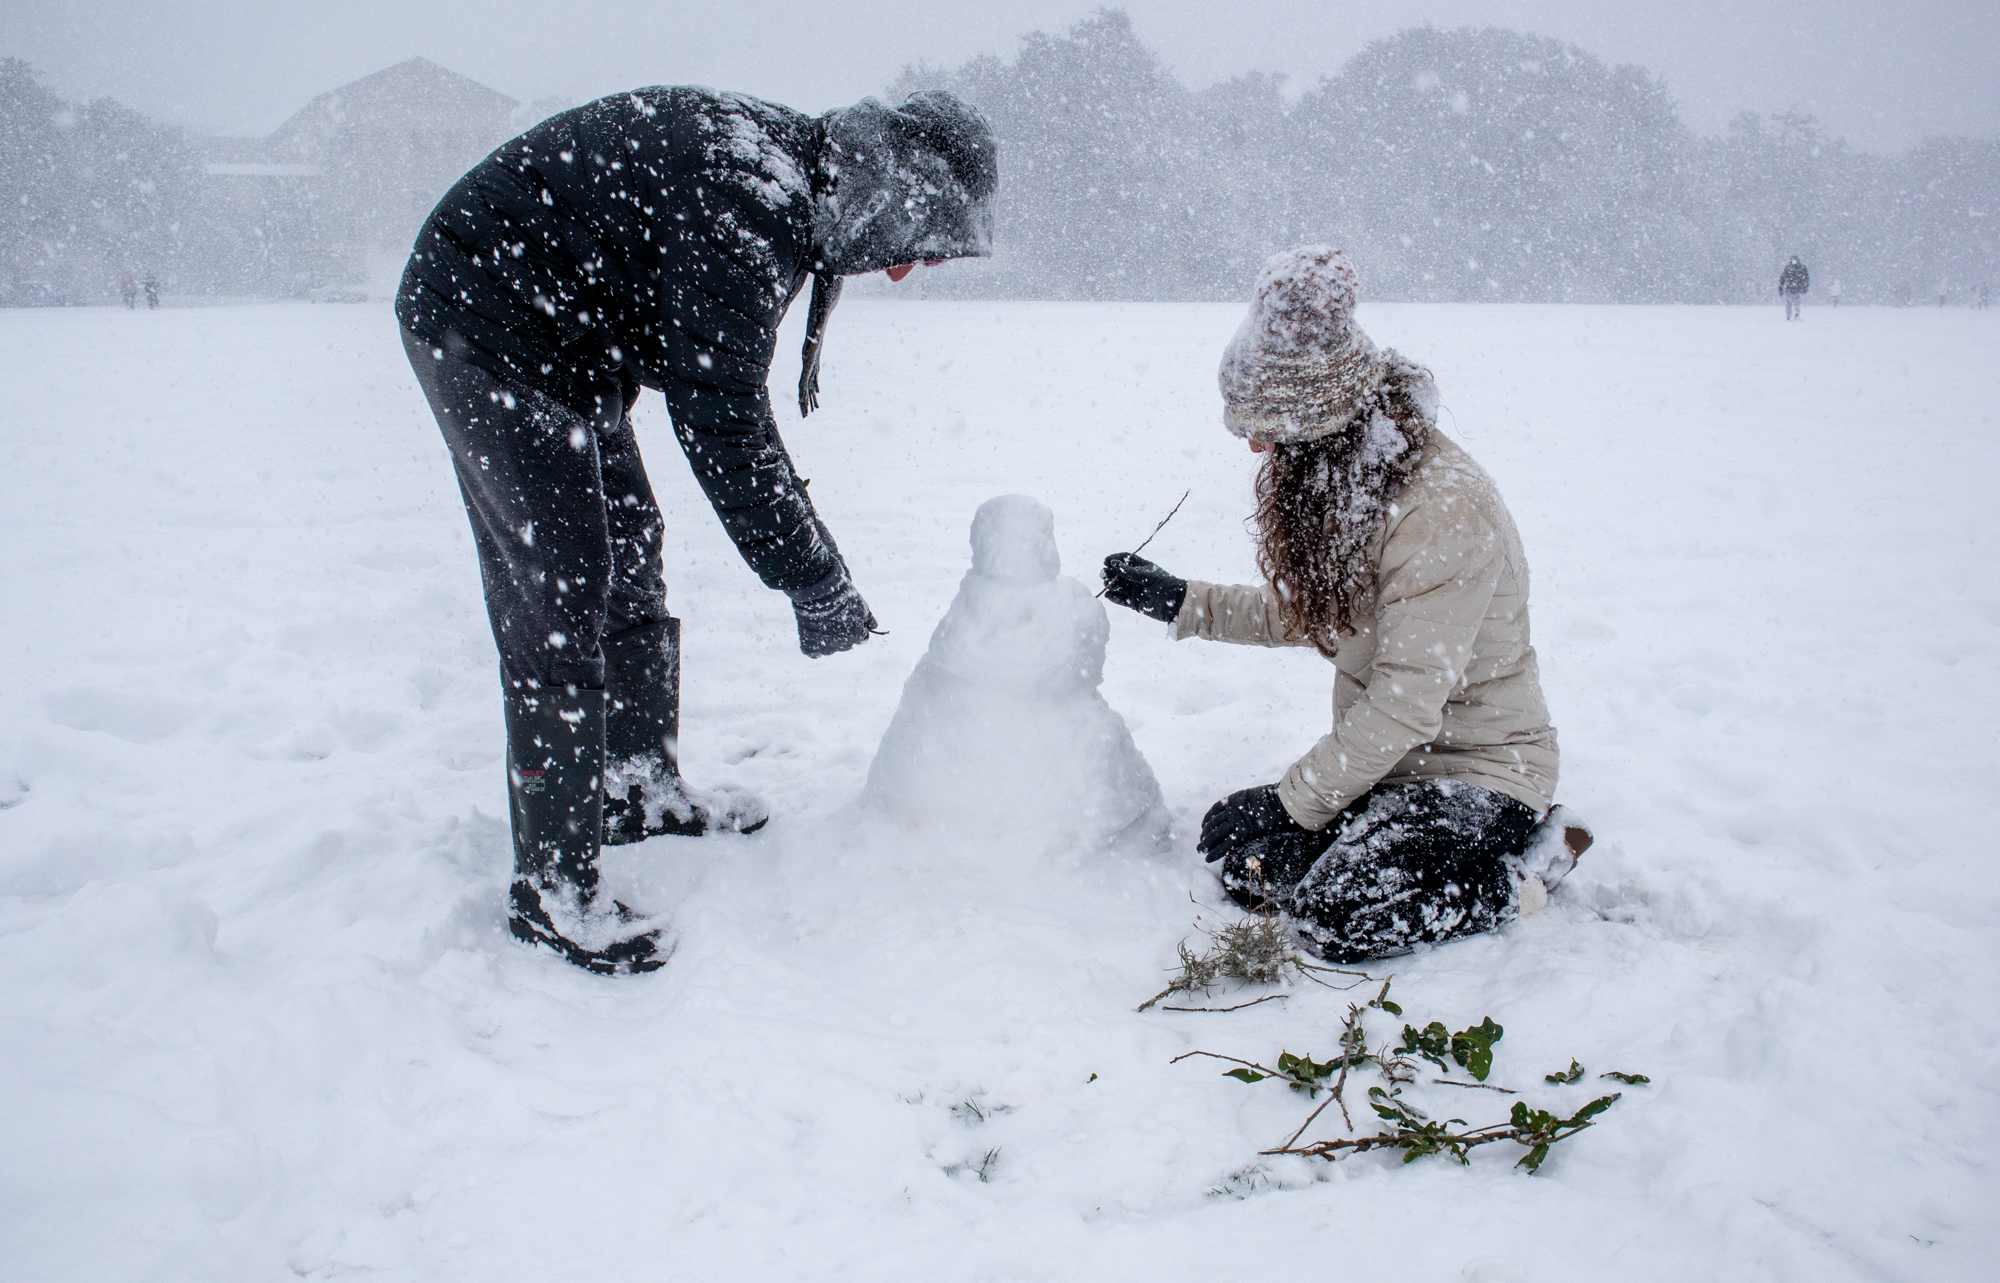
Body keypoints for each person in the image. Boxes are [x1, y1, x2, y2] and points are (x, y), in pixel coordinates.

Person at [398, 87, 998, 974]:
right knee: (561, 581)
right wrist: (813, 575)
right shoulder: (748, 204)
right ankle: (552, 891)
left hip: (567, 337)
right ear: (889, 197)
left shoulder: (794, 183)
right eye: (922, 243)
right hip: (487, 319)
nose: (917, 268)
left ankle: (633, 785)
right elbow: (721, 421)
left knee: (627, 545)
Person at [1102, 246, 1584, 964]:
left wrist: (1291, 798)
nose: (1256, 448)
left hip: (1480, 775)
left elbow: (1404, 704)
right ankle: (1378, 845)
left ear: (1315, 424)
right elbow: (1319, 614)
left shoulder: (1439, 512)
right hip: (1392, 771)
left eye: (1266, 430)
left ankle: (1529, 868)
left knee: (1341, 913)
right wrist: (1183, 601)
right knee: (1249, 866)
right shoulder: (1358, 479)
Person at [1779, 256, 1809, 320]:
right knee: (1791, 303)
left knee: (1793, 303)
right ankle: (1790, 315)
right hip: (1793, 288)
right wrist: (1781, 288)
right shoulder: (1791, 268)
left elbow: (1806, 279)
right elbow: (1783, 279)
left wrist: (1804, 288)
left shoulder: (1799, 268)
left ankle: (1794, 314)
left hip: (1794, 288)